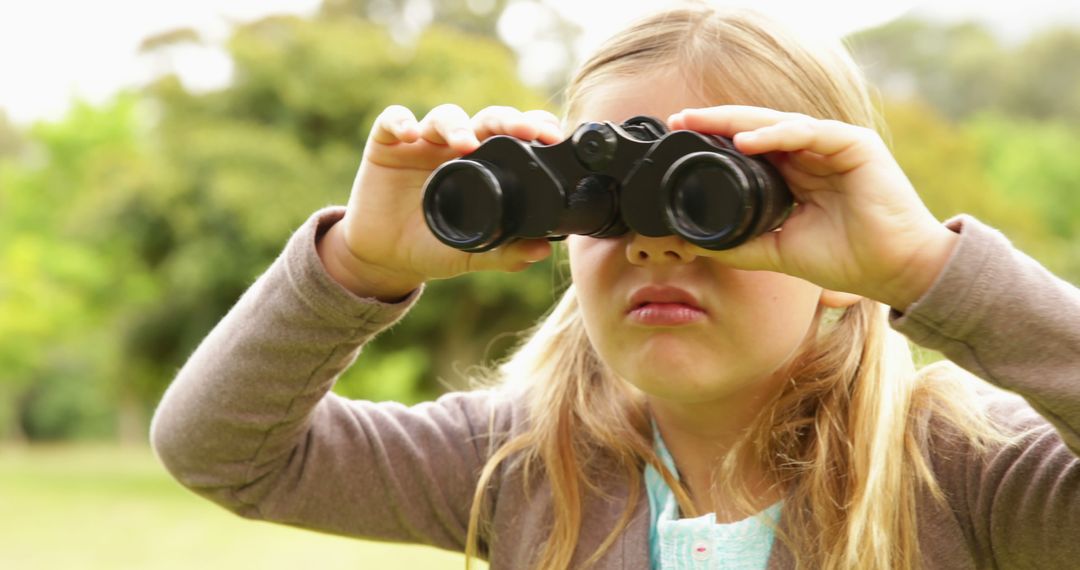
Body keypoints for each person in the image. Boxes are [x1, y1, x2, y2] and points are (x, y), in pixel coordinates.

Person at [150, 3, 1080, 569]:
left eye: (711, 201)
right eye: (607, 207)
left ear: (845, 261)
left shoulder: (966, 473)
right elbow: (222, 450)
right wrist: (358, 262)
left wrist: (924, 268)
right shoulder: (525, 463)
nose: (656, 247)